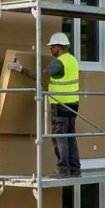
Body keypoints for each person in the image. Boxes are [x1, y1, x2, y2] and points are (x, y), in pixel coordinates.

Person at [7, 32, 80, 177]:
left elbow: (41, 76)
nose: (51, 49)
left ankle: (63, 170)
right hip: (72, 104)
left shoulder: (59, 62)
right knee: (70, 137)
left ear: (59, 47)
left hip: (61, 105)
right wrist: (49, 88)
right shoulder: (72, 60)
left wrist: (21, 69)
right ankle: (75, 170)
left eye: (52, 46)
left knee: (59, 137)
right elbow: (61, 80)